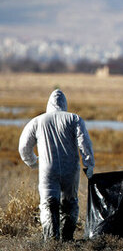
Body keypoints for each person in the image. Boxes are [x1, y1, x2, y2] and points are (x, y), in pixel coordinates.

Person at [19, 89, 95, 241]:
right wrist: (89, 165)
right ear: (65, 103)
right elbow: (85, 144)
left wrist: (33, 162)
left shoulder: (37, 121)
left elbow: (23, 147)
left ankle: (51, 241)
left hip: (48, 169)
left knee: (48, 203)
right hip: (71, 169)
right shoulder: (74, 119)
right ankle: (67, 238)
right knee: (70, 203)